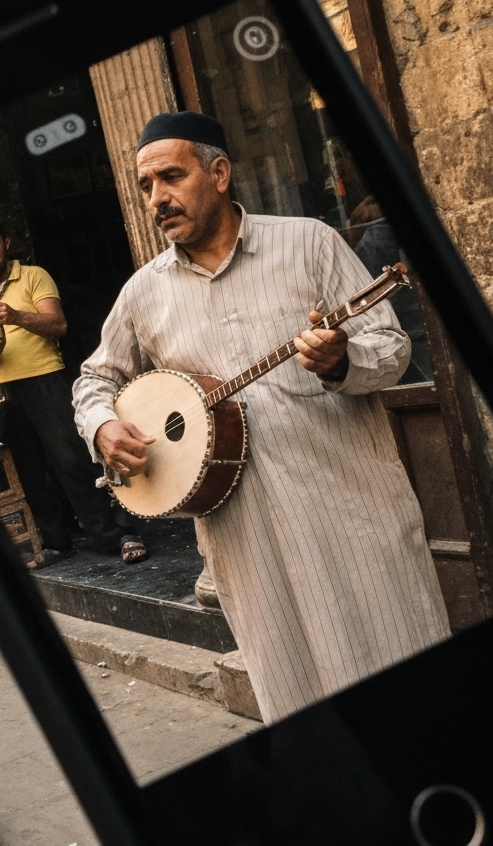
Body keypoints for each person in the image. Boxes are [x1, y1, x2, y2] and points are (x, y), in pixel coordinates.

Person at [74, 111, 451, 723]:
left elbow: (391, 347)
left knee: (405, 678)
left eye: (171, 177)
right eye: (146, 186)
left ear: (219, 172)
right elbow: (95, 378)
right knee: (298, 704)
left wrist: (339, 361)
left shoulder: (309, 243)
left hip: (349, 514)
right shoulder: (143, 291)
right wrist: (102, 426)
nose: (157, 198)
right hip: (243, 541)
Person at [0, 215, 147, 567]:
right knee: (30, 470)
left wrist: (16, 316)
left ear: (7, 243)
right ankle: (57, 542)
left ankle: (119, 534)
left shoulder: (33, 276)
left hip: (45, 380)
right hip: (3, 388)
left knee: (73, 460)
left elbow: (58, 324)